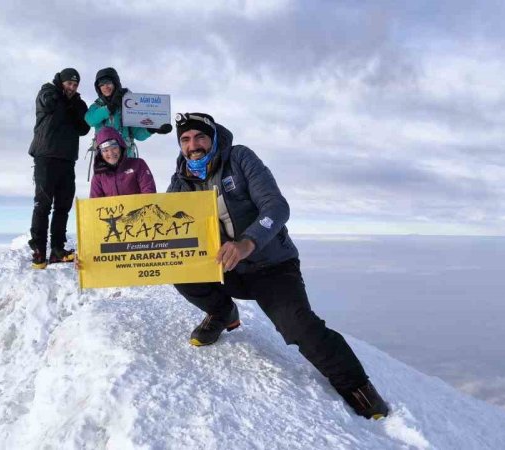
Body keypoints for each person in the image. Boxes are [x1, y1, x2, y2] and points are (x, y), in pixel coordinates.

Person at [166, 112, 390, 420]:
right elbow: (162, 231)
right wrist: (105, 259)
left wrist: (247, 243)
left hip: (271, 265)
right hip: (226, 268)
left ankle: (356, 385)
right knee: (181, 272)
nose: (193, 145)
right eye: (186, 139)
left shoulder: (239, 158)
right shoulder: (180, 181)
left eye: (200, 137)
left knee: (297, 325)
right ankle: (222, 313)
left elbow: (276, 206)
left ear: (213, 136)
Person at [27, 68, 90, 269]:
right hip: (46, 156)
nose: (71, 87)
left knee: (63, 206)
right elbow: (49, 103)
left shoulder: (78, 103)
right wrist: (68, 104)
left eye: (75, 84)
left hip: (67, 159)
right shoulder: (48, 90)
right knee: (43, 204)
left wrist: (74, 107)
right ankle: (38, 250)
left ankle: (57, 250)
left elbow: (84, 128)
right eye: (69, 83)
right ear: (61, 82)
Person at [85, 67, 172, 158]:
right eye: (101, 85)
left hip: (127, 158)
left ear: (115, 83)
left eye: (108, 83)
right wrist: (110, 108)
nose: (105, 87)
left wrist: (152, 129)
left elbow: (138, 135)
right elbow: (90, 119)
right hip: (104, 159)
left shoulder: (128, 105)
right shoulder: (97, 106)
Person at [89, 126, 157, 198]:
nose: (110, 153)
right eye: (105, 150)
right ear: (101, 154)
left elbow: (149, 193)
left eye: (114, 148)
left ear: (121, 147)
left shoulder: (138, 165)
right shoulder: (99, 175)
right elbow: (94, 202)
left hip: (138, 208)